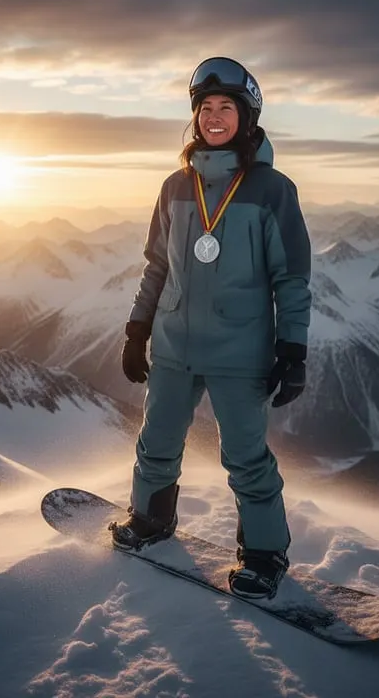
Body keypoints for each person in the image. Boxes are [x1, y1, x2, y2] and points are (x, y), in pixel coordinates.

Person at [109, 56, 312, 599]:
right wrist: (137, 330)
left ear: (248, 118)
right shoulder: (175, 187)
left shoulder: (272, 190)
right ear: (195, 117)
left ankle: (265, 554)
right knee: (156, 444)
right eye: (206, 108)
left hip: (240, 350)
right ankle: (151, 520)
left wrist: (293, 349)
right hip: (174, 344)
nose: (215, 117)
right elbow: (157, 265)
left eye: (227, 108)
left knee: (246, 458)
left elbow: (291, 278)